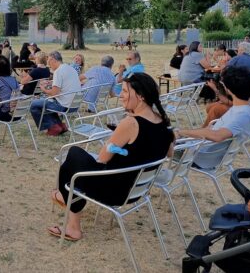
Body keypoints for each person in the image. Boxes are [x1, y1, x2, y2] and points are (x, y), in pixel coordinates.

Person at [47, 73, 174, 241]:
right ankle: (64, 196)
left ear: (141, 96)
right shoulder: (163, 122)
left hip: (113, 191)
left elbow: (103, 158)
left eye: (125, 91)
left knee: (74, 154)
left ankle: (71, 219)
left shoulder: (131, 123)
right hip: (136, 190)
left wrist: (114, 139)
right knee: (75, 162)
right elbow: (169, 153)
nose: (120, 95)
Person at [177, 66, 250, 142]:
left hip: (199, 148)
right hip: (203, 141)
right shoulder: (243, 108)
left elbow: (217, 136)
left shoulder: (243, 115)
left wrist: (180, 132)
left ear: (228, 89)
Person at [30, 51, 81, 136]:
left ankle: (52, 127)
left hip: (64, 106)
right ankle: (60, 125)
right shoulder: (70, 68)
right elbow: (65, 84)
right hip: (74, 105)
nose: (48, 65)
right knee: (47, 102)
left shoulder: (58, 71)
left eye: (49, 62)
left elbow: (54, 93)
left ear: (53, 60)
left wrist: (43, 89)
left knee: (34, 104)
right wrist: (52, 83)